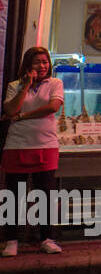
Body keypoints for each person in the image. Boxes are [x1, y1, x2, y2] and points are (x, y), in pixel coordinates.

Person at [1, 48, 65, 256]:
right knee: (13, 195)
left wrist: (21, 117)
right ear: (28, 64)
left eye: (45, 62)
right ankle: (11, 240)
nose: (42, 66)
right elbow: (10, 110)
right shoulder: (14, 86)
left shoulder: (55, 84)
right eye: (37, 62)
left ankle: (47, 239)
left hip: (45, 145)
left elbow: (52, 107)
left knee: (45, 194)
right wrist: (25, 86)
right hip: (17, 145)